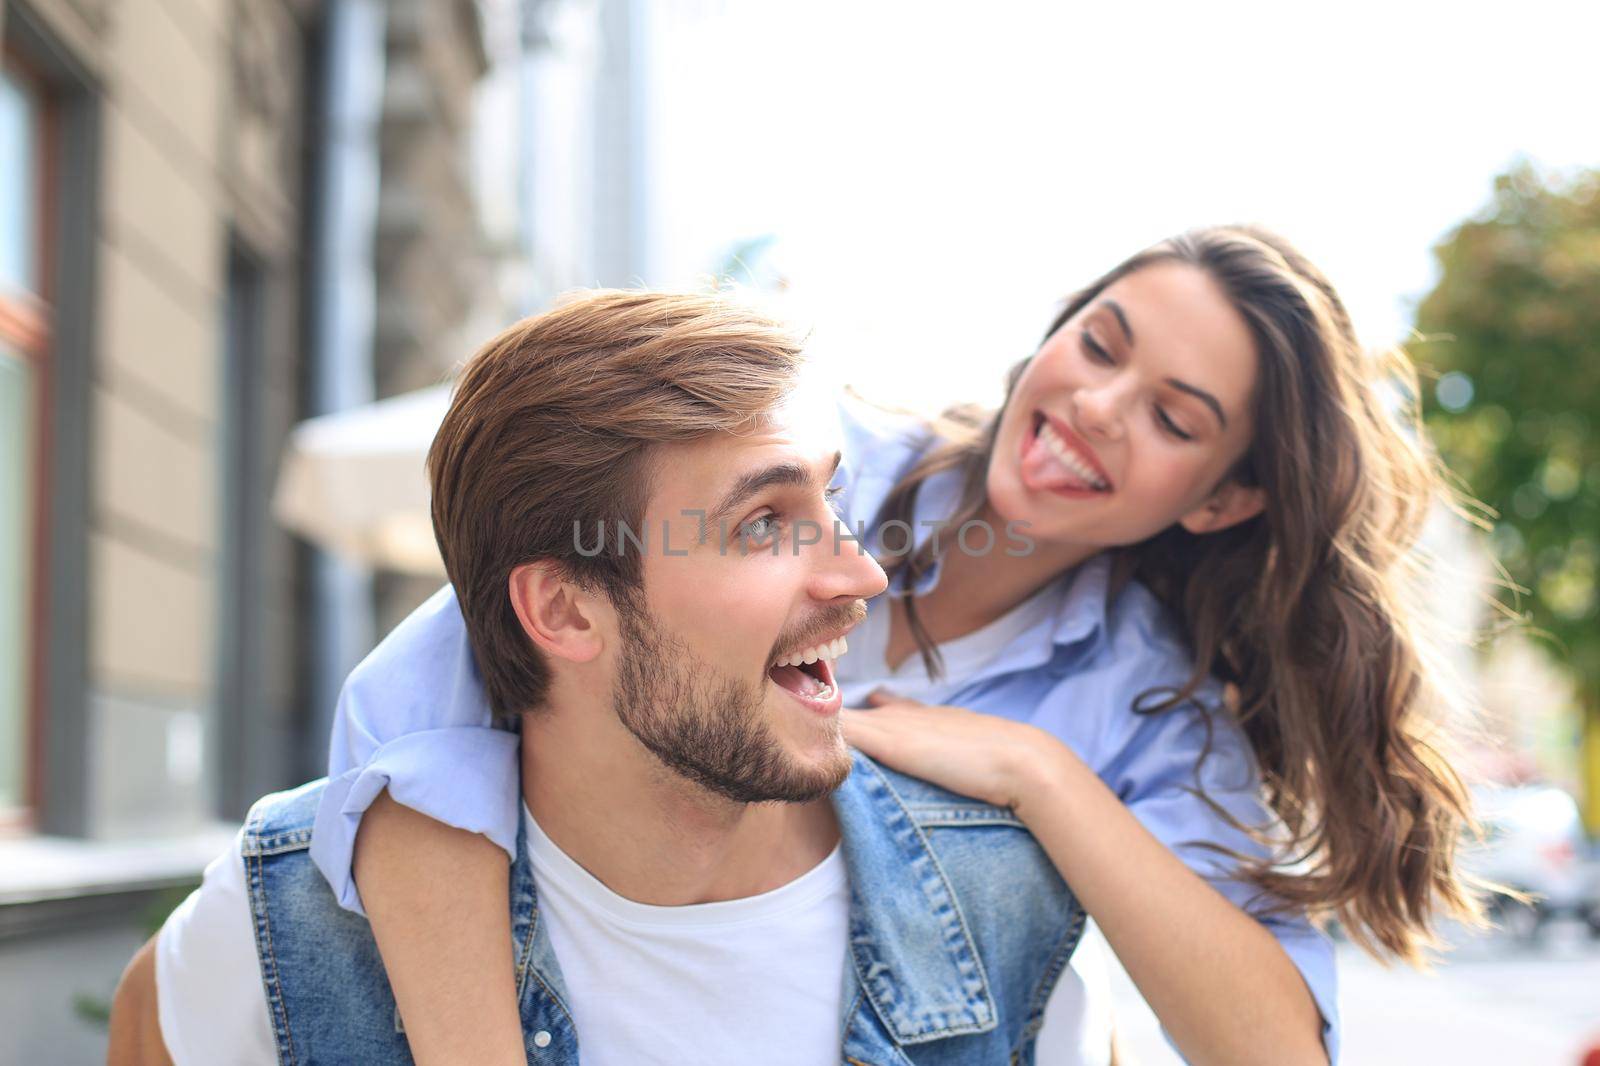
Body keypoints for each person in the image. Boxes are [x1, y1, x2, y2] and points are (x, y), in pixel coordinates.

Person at [302, 227, 1484, 1064]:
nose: (1097, 405)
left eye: (1175, 418)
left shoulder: (1148, 705)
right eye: (1100, 343)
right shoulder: (804, 454)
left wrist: (1040, 775)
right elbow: (405, 707)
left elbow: (1273, 1050)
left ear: (1220, 503)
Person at [106, 292, 1088, 1065]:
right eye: (765, 522)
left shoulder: (999, 899)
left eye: (829, 498)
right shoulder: (290, 919)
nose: (859, 574)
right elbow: (149, 1016)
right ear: (567, 612)